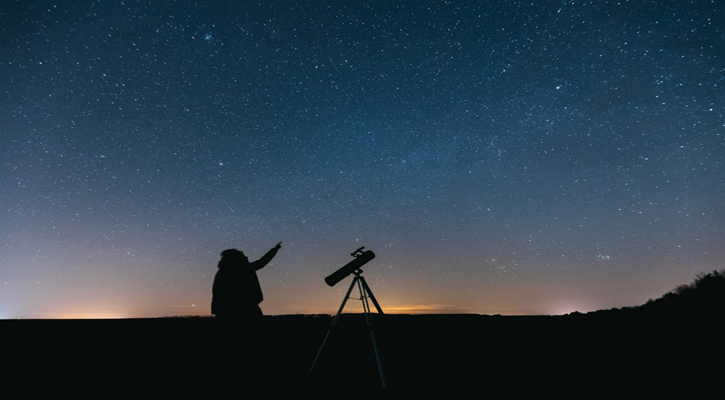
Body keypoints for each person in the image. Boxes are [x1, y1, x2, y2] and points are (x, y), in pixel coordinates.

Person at [211, 242, 281, 320]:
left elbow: (217, 292)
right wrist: (275, 250)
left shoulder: (223, 271)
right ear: (235, 258)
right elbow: (261, 262)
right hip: (245, 308)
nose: (245, 256)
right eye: (242, 255)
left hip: (225, 309)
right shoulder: (240, 268)